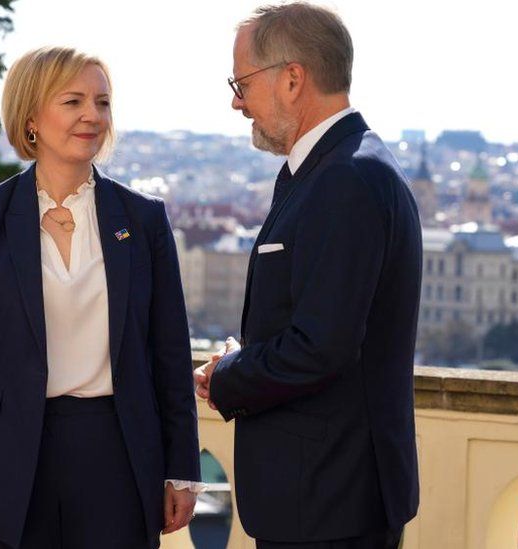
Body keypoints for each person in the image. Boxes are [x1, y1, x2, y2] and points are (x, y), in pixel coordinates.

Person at [0, 46, 201, 549]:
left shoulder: (143, 218)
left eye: (102, 103)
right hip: (13, 458)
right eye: (73, 101)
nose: (92, 116)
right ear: (31, 116)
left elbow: (169, 353)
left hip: (120, 453)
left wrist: (182, 469)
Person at [193, 3, 422, 548]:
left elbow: (322, 346)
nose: (236, 101)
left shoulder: (345, 179)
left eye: (242, 81)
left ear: (293, 78)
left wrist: (228, 376)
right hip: (321, 493)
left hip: (328, 498)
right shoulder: (332, 169)